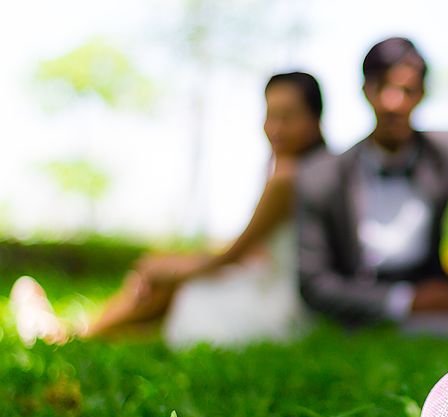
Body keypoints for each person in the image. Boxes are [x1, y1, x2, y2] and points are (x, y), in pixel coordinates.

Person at [11, 71, 326, 348]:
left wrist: (170, 267)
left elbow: (235, 253)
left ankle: (68, 335)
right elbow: (257, 248)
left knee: (169, 284)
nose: (276, 128)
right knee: (168, 289)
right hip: (286, 297)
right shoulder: (318, 171)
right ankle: (77, 333)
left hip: (277, 305)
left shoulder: (286, 180)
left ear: (315, 119)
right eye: (271, 115)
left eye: (288, 117)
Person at [295, 37, 448, 334]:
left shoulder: (442, 155)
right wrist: (404, 300)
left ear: (422, 94)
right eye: (382, 87)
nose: (393, 103)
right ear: (365, 91)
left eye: (406, 90)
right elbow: (314, 285)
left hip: (443, 294)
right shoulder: (322, 177)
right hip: (365, 302)